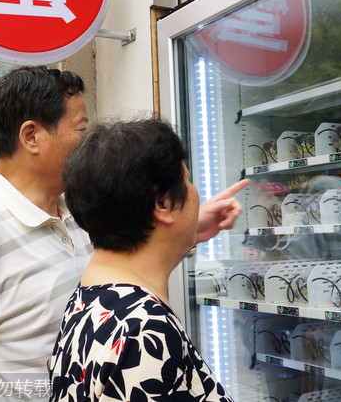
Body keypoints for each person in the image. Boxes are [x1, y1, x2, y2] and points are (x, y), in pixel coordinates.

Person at [0, 66, 247, 401]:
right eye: (81, 129)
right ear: (32, 136)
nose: (90, 141)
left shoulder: (73, 209)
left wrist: (189, 223)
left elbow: (128, 256)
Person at [49, 119, 234, 402]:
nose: (194, 193)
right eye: (186, 181)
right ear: (163, 203)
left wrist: (188, 231)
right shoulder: (147, 330)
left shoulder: (90, 298)